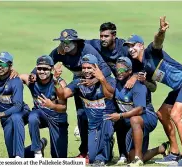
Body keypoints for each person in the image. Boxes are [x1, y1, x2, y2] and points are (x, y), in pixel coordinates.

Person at [124, 16, 182, 166]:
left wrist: (161, 31)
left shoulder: (151, 52)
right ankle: (174, 153)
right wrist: (144, 81)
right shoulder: (139, 65)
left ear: (141, 45)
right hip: (180, 87)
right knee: (162, 114)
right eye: (128, 47)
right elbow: (153, 88)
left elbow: (158, 41)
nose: (130, 49)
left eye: (133, 45)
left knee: (175, 115)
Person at [30, 29, 113, 160]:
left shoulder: (87, 50)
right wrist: (33, 74)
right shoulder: (60, 51)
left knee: (102, 119)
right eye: (62, 42)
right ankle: (84, 152)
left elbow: (106, 70)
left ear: (75, 42)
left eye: (68, 41)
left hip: (98, 84)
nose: (65, 44)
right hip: (80, 84)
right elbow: (44, 63)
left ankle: (106, 148)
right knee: (81, 115)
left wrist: (94, 80)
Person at [86, 22, 158, 165]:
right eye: (101, 36)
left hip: (137, 93)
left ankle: (144, 153)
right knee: (117, 121)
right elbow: (81, 44)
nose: (102, 39)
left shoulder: (125, 49)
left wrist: (134, 77)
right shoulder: (98, 45)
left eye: (106, 36)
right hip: (119, 88)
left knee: (135, 119)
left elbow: (145, 70)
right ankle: (121, 154)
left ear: (114, 35)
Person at [55, 54, 116, 166]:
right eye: (84, 68)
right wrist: (56, 81)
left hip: (108, 119)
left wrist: (101, 79)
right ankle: (107, 148)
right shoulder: (78, 82)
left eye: (89, 68)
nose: (86, 71)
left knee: (99, 157)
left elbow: (109, 95)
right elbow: (63, 95)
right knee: (92, 157)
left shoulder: (108, 80)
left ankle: (103, 157)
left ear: (96, 67)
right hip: (92, 124)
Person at [109, 57, 169, 166]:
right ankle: (160, 149)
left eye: (122, 70)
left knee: (134, 119)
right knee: (129, 157)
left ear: (130, 71)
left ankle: (138, 159)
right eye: (117, 70)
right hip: (131, 121)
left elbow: (140, 109)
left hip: (147, 117)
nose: (119, 73)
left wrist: (121, 115)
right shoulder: (116, 83)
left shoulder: (138, 86)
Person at [0, 52, 30, 158]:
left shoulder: (15, 81)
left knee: (16, 118)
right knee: (11, 155)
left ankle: (19, 157)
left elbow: (18, 106)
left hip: (22, 112)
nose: (0, 67)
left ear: (10, 66)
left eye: (3, 65)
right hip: (6, 119)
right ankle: (37, 146)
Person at [19, 55, 68, 158]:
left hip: (57, 118)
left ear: (51, 69)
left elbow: (63, 108)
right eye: (39, 69)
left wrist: (52, 105)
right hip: (40, 115)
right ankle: (37, 151)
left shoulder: (60, 83)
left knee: (59, 158)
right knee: (32, 117)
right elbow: (19, 77)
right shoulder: (32, 81)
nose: (42, 71)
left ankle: (41, 144)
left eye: (45, 69)